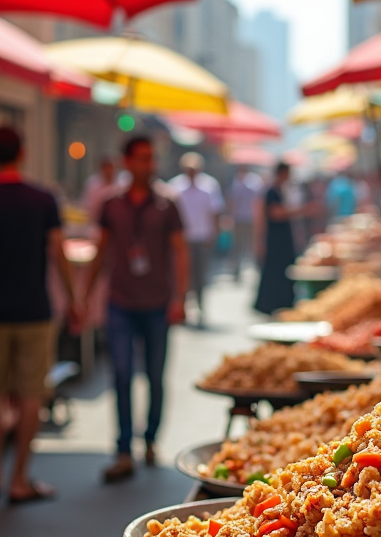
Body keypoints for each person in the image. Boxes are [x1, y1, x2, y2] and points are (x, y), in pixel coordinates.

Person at [0, 126, 80, 505]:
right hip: (34, 309)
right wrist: (74, 299)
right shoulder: (42, 199)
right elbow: (59, 253)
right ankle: (20, 478)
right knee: (31, 394)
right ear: (23, 153)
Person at [85, 136, 187, 482]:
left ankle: (151, 438)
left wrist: (180, 298)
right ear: (126, 161)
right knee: (122, 374)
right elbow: (101, 249)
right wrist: (85, 295)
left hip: (157, 303)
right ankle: (124, 447)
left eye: (152, 158)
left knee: (155, 377)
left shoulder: (166, 203)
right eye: (142, 158)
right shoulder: (111, 203)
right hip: (121, 303)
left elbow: (179, 251)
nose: (149, 164)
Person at [167, 152, 224, 327]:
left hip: (201, 236)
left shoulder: (209, 185)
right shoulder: (174, 186)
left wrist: (214, 233)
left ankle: (200, 306)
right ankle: (182, 307)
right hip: (182, 239)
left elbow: (215, 211)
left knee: (200, 274)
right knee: (181, 274)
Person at [255, 162, 305, 315]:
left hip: (280, 238)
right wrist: (303, 210)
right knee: (276, 271)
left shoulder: (278, 190)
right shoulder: (272, 191)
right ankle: (273, 303)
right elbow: (275, 214)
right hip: (276, 240)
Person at [228, 166, 263, 280]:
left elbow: (258, 202)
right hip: (240, 219)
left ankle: (255, 269)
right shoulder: (236, 182)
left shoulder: (254, 182)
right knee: (239, 246)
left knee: (251, 245)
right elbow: (232, 201)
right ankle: (237, 270)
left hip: (251, 219)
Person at [81, 156, 124, 225]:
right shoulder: (92, 185)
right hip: (97, 224)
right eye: (105, 167)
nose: (108, 170)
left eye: (110, 167)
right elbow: (88, 207)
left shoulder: (122, 185)